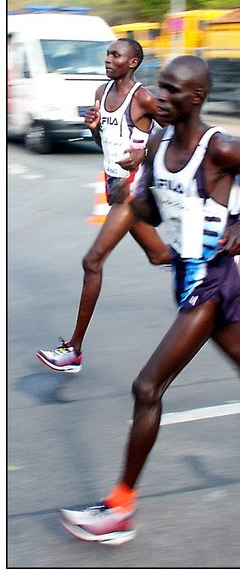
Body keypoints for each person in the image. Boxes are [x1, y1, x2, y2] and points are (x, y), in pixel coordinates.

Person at [59, 55, 240, 546]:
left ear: (196, 97)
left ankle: (119, 508)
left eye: (173, 91)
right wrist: (126, 198)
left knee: (147, 387)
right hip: (186, 275)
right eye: (161, 87)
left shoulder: (220, 147)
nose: (162, 96)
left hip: (214, 280)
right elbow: (153, 206)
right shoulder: (157, 144)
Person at [36, 38, 171, 374]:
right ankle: (215, 257)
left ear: (134, 61)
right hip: (114, 184)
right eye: (108, 54)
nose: (108, 59)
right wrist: (94, 129)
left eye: (116, 55)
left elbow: (175, 133)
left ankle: (73, 350)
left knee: (92, 261)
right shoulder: (101, 92)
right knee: (159, 256)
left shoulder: (143, 97)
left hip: (133, 189)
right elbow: (104, 143)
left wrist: (146, 153)